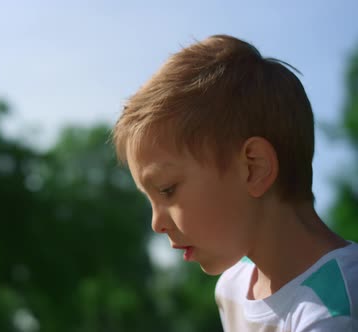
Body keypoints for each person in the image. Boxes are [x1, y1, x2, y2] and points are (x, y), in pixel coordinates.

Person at [112, 34, 357, 331]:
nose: (156, 223)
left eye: (167, 190)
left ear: (254, 168)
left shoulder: (334, 314)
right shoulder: (233, 289)